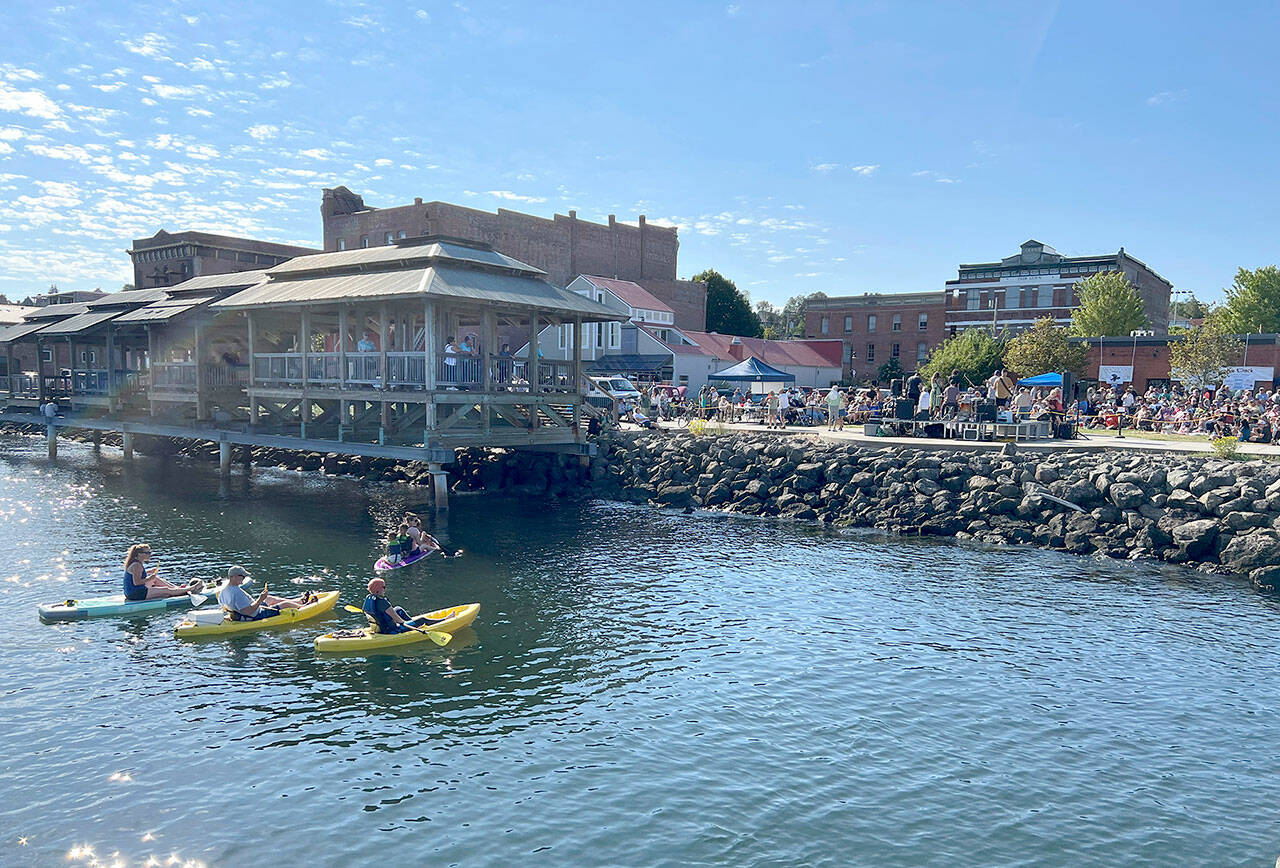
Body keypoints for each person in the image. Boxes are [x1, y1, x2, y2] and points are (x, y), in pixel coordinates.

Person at [217, 565, 310, 621]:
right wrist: (260, 599)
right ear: (234, 577)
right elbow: (248, 611)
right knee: (285, 604)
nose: (244, 578)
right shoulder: (236, 593)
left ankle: (299, 601)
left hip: (238, 614)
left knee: (269, 598)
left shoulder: (223, 589)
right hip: (255, 615)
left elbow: (224, 607)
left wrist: (262, 599)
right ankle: (305, 607)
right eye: (243, 576)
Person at [122, 544, 202, 601]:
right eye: (147, 553)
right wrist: (149, 578)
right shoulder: (136, 565)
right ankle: (191, 588)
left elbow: (137, 575)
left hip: (133, 591)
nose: (150, 555)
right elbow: (137, 582)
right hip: (135, 594)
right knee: (166, 591)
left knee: (155, 579)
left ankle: (177, 589)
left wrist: (149, 572)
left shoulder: (136, 563)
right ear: (139, 554)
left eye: (150, 552)